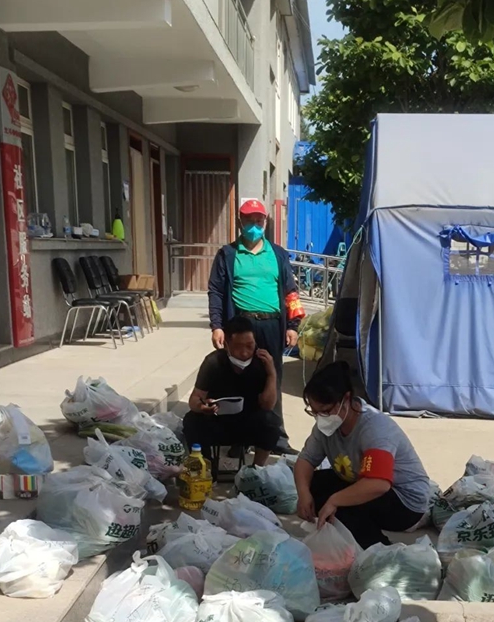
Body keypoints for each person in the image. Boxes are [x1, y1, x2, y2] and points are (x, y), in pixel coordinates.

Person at [294, 361, 431, 549]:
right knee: (315, 485)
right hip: (363, 481)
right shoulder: (326, 426)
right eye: (315, 412)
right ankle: (342, 537)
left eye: (325, 411)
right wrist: (303, 494)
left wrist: (335, 500)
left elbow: (378, 483)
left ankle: (377, 549)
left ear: (346, 399)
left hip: (404, 501)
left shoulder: (374, 428)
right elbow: (306, 460)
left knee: (341, 505)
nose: (320, 418)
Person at [208, 198, 303, 454]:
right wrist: (217, 325)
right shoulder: (228, 254)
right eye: (249, 220)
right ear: (240, 221)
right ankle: (240, 439)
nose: (254, 225)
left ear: (266, 222)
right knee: (239, 381)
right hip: (241, 325)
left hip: (271, 324)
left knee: (272, 378)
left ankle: (276, 439)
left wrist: (292, 325)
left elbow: (290, 291)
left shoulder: (278, 254)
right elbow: (216, 291)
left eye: (259, 220)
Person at [183, 316, 281, 466]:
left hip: (249, 423)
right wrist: (203, 407)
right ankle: (204, 466)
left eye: (249, 346)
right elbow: (195, 399)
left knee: (271, 422)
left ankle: (256, 469)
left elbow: (268, 405)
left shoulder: (262, 362)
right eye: (238, 347)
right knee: (191, 420)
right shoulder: (214, 362)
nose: (244, 353)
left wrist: (271, 373)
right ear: (226, 345)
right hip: (218, 422)